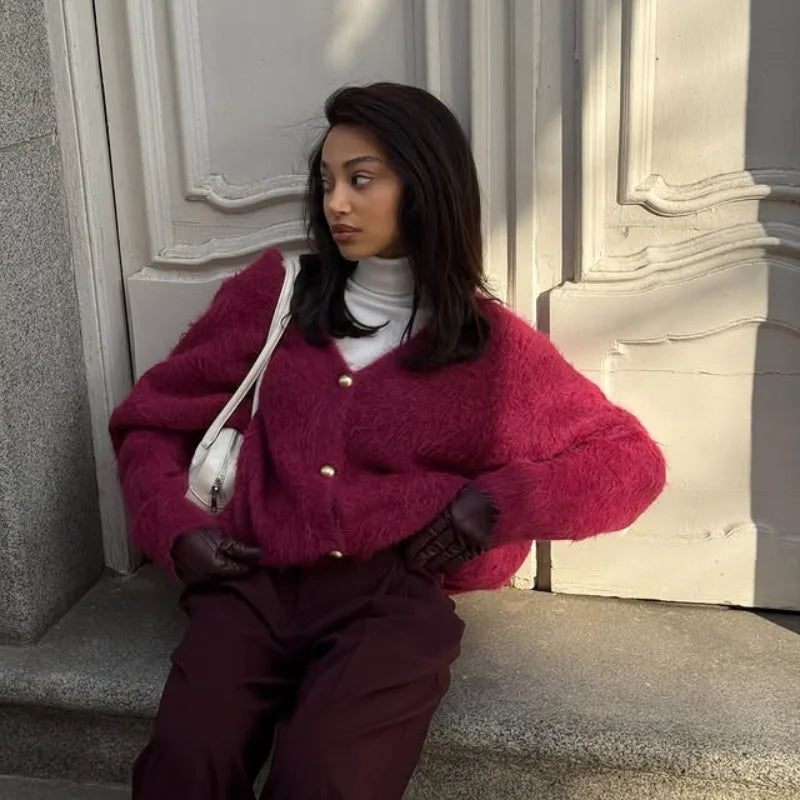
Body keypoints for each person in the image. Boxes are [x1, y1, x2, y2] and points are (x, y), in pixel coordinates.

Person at [109, 82, 666, 799]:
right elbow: (150, 421)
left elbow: (630, 462)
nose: (335, 202)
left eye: (361, 179)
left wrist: (494, 505)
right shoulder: (274, 295)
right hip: (249, 582)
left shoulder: (491, 350)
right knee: (186, 766)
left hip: (389, 600)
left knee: (327, 782)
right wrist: (176, 528)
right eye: (327, 182)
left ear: (426, 184)